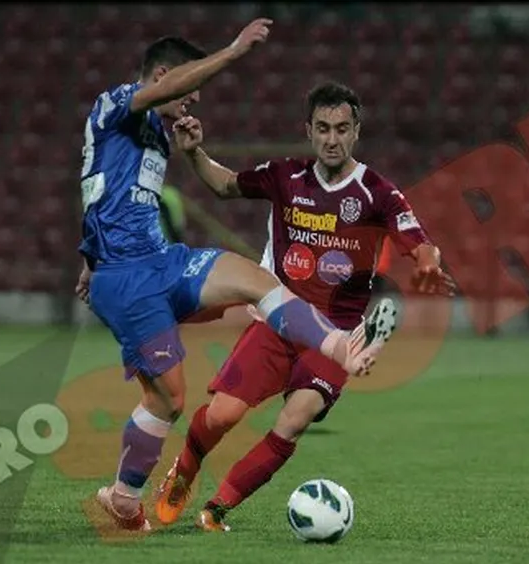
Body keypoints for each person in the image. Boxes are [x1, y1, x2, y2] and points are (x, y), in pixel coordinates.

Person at [75, 22, 403, 534]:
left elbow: (104, 191)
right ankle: (123, 500)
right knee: (170, 399)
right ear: (163, 76)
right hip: (129, 280)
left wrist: (89, 255)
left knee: (253, 278)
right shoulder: (115, 103)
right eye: (187, 90)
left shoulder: (155, 132)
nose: (192, 101)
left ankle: (341, 347)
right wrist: (231, 52)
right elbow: (164, 103)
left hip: (160, 261)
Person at [154, 81, 450, 532]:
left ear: (356, 132)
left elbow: (419, 241)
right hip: (279, 320)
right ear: (308, 131)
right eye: (323, 128)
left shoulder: (377, 192)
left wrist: (428, 263)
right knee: (222, 415)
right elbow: (226, 185)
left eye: (342, 129)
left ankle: (216, 510)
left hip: (335, 337)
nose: (333, 139)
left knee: (294, 420)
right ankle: (184, 471)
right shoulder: (284, 176)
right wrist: (194, 152)